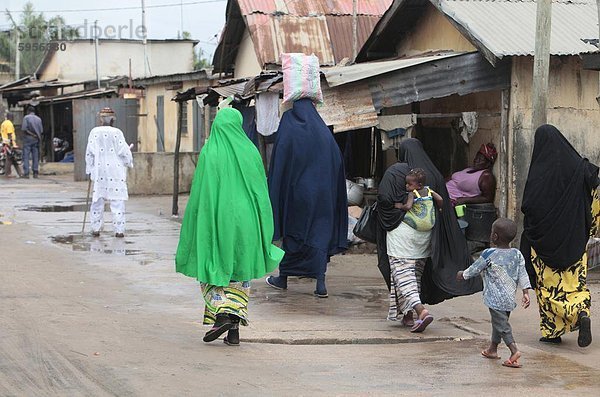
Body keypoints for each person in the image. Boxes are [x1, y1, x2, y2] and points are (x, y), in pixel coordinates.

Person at [176, 108, 284, 346]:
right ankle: (233, 331)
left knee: (213, 265)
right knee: (240, 273)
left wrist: (195, 223)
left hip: (217, 219)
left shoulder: (210, 152)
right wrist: (263, 224)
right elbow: (260, 192)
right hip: (246, 221)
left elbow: (200, 193)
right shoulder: (250, 152)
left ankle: (222, 315)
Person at [520, 124, 599, 348]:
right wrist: (590, 227)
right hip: (574, 241)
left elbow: (529, 206)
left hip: (544, 243)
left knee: (548, 287)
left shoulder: (539, 174)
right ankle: (581, 313)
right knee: (575, 284)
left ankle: (552, 332)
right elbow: (595, 187)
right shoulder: (580, 166)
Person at [266, 99, 348, 298]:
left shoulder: (289, 125)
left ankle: (283, 277)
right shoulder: (323, 132)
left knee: (293, 234)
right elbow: (337, 163)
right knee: (318, 235)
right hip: (323, 197)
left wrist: (278, 188)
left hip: (296, 195)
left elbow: (280, 159)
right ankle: (320, 283)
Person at [457, 218, 531, 368]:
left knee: (502, 325)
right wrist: (526, 292)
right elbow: (523, 274)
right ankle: (492, 349)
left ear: (495, 236)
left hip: (495, 298)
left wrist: (462, 275)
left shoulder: (488, 253)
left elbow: (475, 269)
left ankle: (514, 350)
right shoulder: (517, 254)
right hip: (509, 298)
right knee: (499, 323)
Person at [387, 168, 443, 332]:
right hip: (424, 237)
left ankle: (421, 311)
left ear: (417, 184)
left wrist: (400, 206)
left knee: (403, 276)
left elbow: (408, 206)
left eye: (409, 184)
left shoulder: (413, 193)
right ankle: (408, 315)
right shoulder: (430, 190)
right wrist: (439, 209)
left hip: (407, 237)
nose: (406, 186)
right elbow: (440, 200)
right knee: (414, 277)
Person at [85, 107, 133, 238]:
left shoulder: (94, 132)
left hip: (99, 170)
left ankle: (96, 228)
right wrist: (129, 161)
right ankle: (119, 230)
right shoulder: (117, 132)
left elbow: (90, 152)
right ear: (113, 119)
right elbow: (123, 151)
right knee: (117, 201)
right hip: (115, 171)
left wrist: (89, 168)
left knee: (97, 200)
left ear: (101, 119)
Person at [21, 106, 43, 179]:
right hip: (36, 139)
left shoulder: (26, 118)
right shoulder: (39, 119)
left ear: (28, 111)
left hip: (28, 139)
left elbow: (24, 129)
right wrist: (36, 135)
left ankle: (26, 173)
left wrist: (31, 134)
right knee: (35, 156)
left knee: (26, 156)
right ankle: (35, 172)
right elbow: (41, 131)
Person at [1, 113, 22, 177]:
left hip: (5, 142)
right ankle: (8, 173)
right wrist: (11, 145)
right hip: (9, 144)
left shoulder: (3, 123)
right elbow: (9, 134)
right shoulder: (9, 123)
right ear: (11, 117)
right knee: (10, 158)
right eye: (12, 117)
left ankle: (20, 173)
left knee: (13, 159)